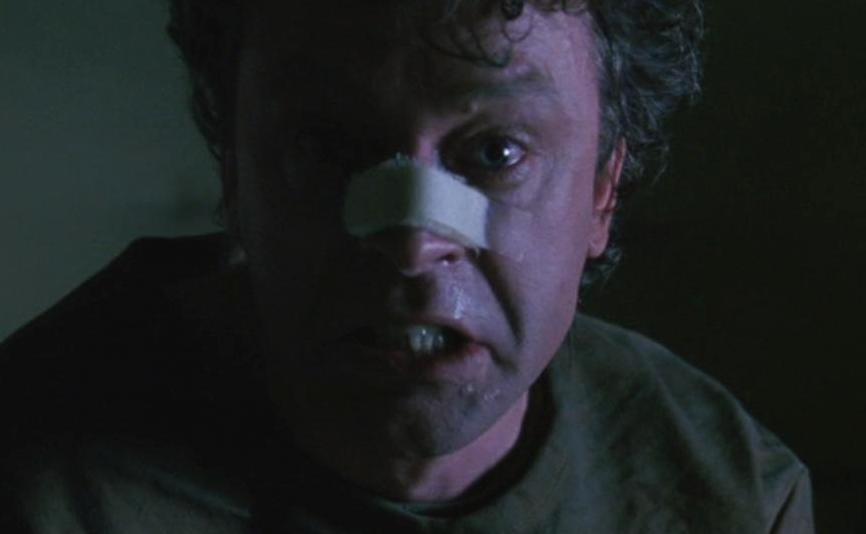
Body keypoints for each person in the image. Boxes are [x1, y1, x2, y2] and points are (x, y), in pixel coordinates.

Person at [0, 0, 814, 532]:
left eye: (497, 153)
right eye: (325, 147)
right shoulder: (37, 479)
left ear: (603, 192)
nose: (412, 242)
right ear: (234, 177)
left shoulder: (734, 496)